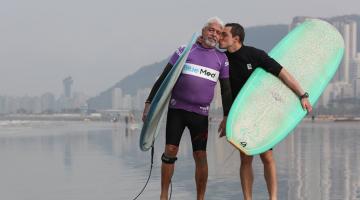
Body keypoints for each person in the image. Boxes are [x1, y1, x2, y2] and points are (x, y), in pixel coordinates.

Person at [218, 23, 312, 200]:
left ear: (236, 39)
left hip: (261, 113)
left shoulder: (255, 55)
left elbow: (282, 74)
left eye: (224, 35)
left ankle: (273, 198)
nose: (219, 38)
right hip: (241, 115)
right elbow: (224, 91)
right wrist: (227, 118)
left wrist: (302, 95)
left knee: (267, 156)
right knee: (245, 157)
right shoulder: (220, 59)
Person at [142, 17, 233, 200]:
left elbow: (226, 90)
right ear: (203, 31)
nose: (214, 34)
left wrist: (227, 115)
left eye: (218, 32)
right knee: (170, 151)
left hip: (200, 114)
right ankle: (163, 196)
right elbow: (164, 78)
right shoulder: (185, 50)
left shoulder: (221, 59)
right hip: (177, 110)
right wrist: (149, 103)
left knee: (200, 155)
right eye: (211, 30)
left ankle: (200, 197)